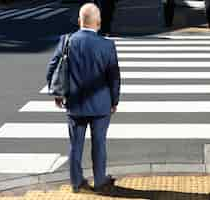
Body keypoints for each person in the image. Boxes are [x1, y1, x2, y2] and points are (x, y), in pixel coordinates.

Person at [46, 3, 121, 194]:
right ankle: (100, 180)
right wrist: (114, 100)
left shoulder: (66, 40)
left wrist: (57, 93)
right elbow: (114, 77)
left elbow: (52, 68)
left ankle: (77, 182)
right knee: (99, 144)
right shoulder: (107, 45)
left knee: (75, 146)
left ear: (79, 21)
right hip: (101, 104)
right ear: (99, 22)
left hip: (75, 103)